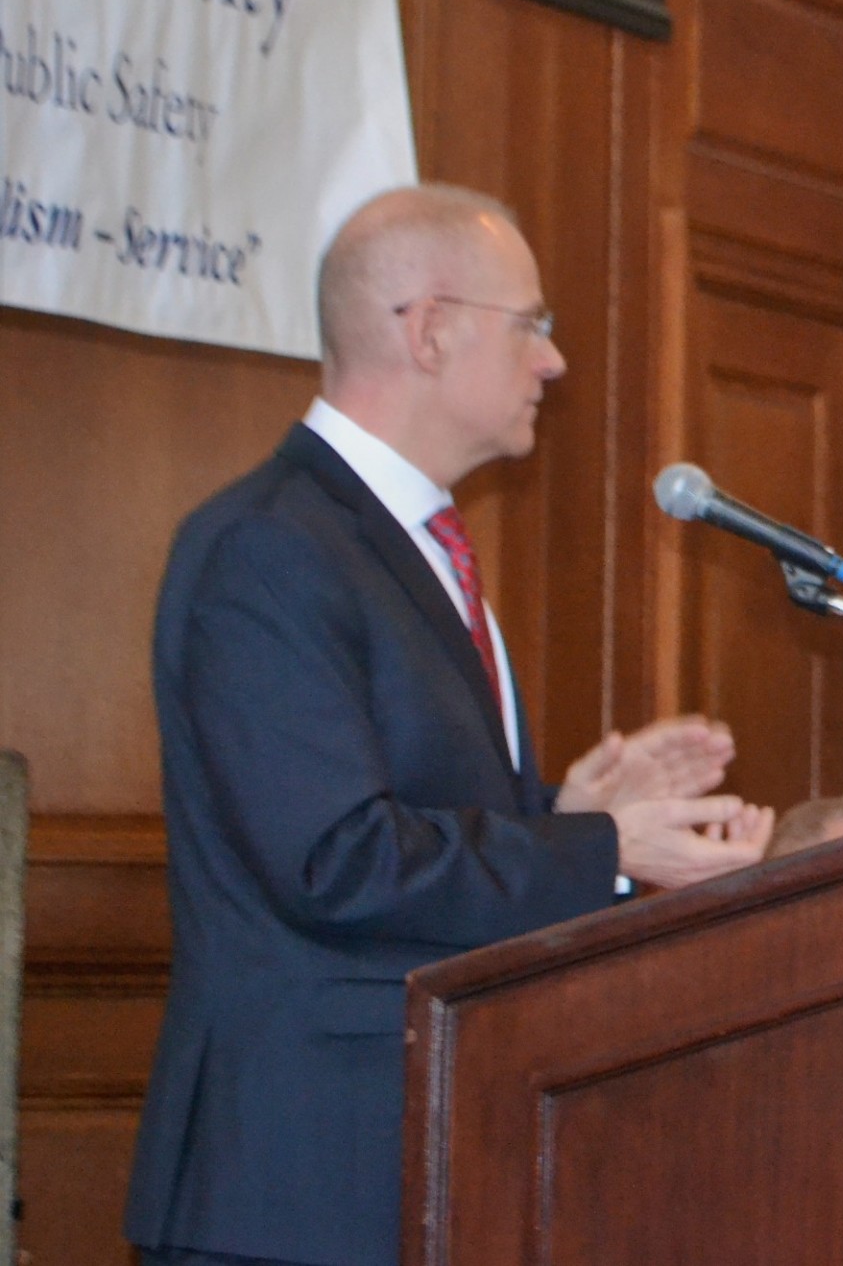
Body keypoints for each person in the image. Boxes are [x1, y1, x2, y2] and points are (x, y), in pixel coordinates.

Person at [124, 184, 775, 1266]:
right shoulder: (269, 550)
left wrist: (568, 807)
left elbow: (410, 813)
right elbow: (335, 860)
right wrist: (607, 850)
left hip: (417, 1157)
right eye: (533, 325)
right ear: (427, 330)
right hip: (293, 1194)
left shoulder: (411, 540)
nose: (554, 362)